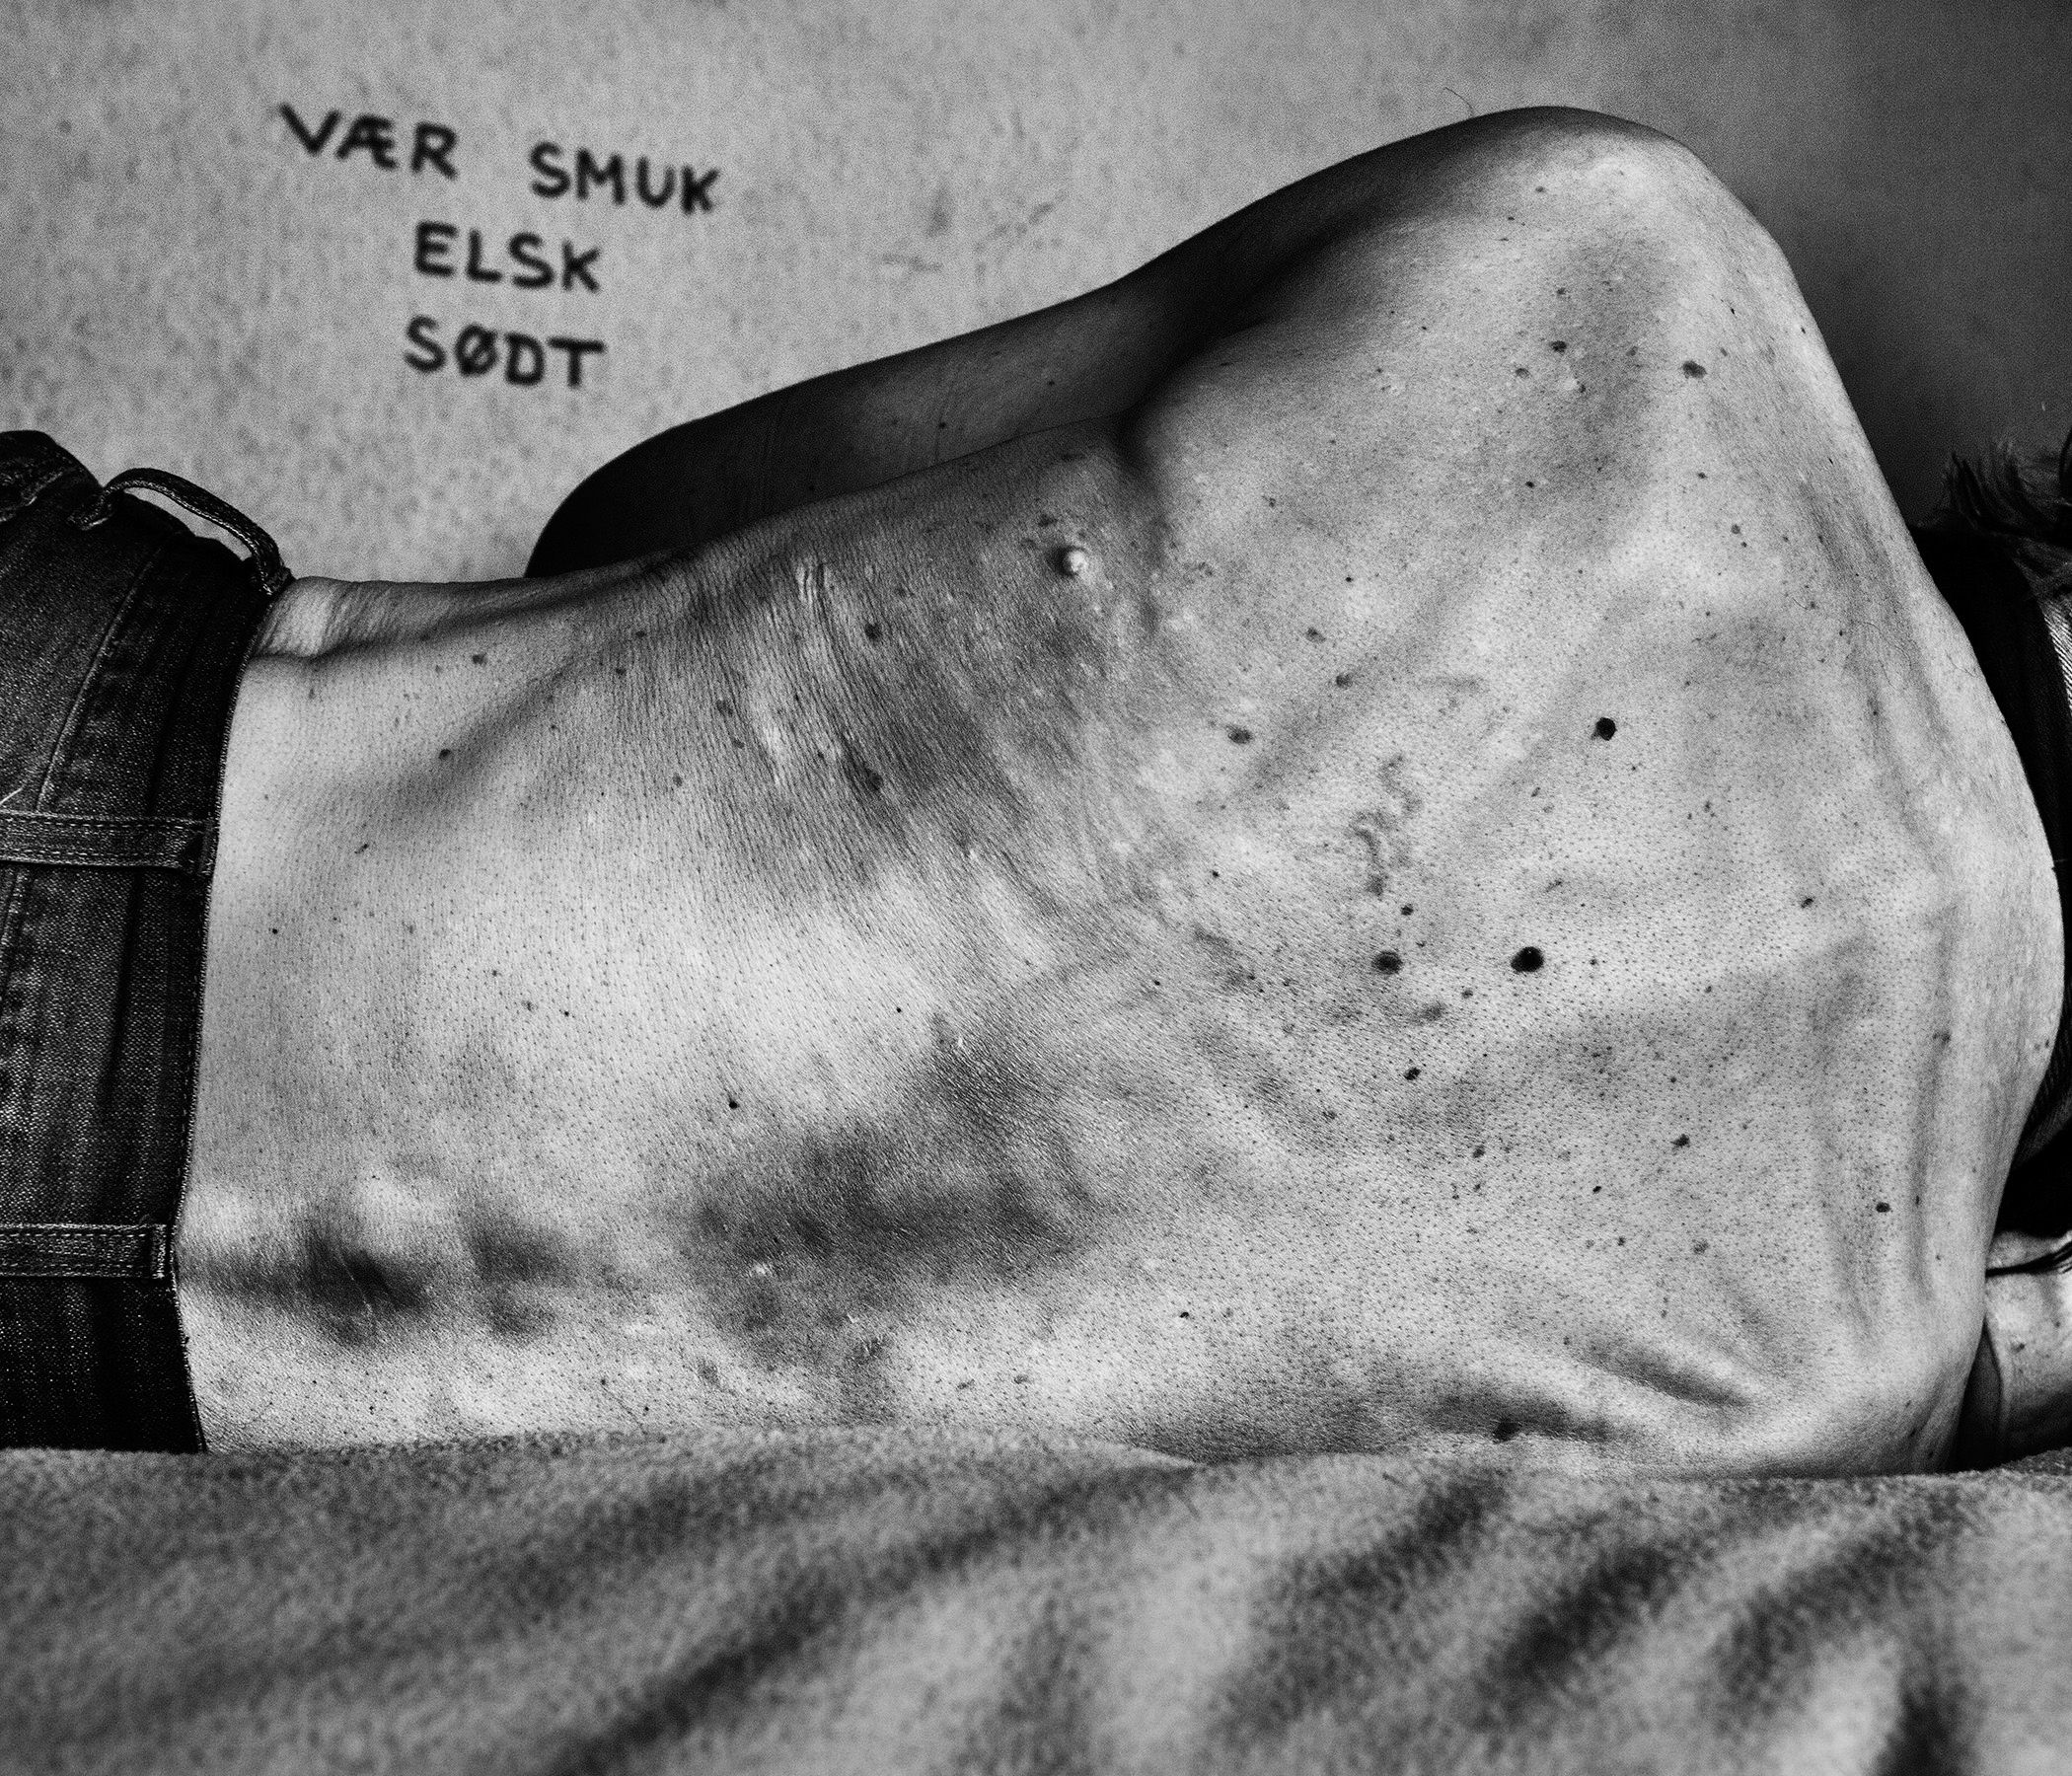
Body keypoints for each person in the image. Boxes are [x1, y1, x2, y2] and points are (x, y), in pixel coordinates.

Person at [4, 106, 2066, 1472]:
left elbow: (629, 519)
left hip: (116, 737)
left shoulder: (1624, 271)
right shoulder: (1837, 1363)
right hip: (151, 1370)